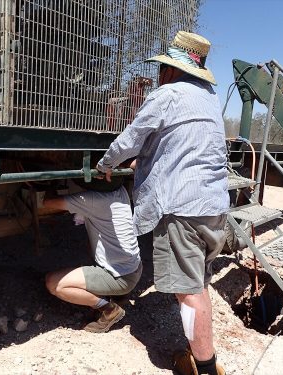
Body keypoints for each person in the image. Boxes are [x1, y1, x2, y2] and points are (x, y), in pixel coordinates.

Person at [96, 31, 229, 375]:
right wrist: (148, 161)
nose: (159, 75)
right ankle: (200, 355)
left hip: (182, 209)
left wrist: (107, 163)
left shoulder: (167, 94)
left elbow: (132, 137)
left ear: (172, 70)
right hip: (213, 206)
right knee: (197, 286)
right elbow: (185, 146)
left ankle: (206, 368)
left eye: (163, 68)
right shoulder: (209, 98)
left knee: (188, 295)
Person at [44, 178, 142, 333]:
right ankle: (116, 295)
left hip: (120, 277)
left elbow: (48, 203)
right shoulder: (120, 191)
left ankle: (109, 309)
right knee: (91, 248)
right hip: (132, 268)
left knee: (54, 283)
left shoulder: (93, 200)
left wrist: (50, 182)